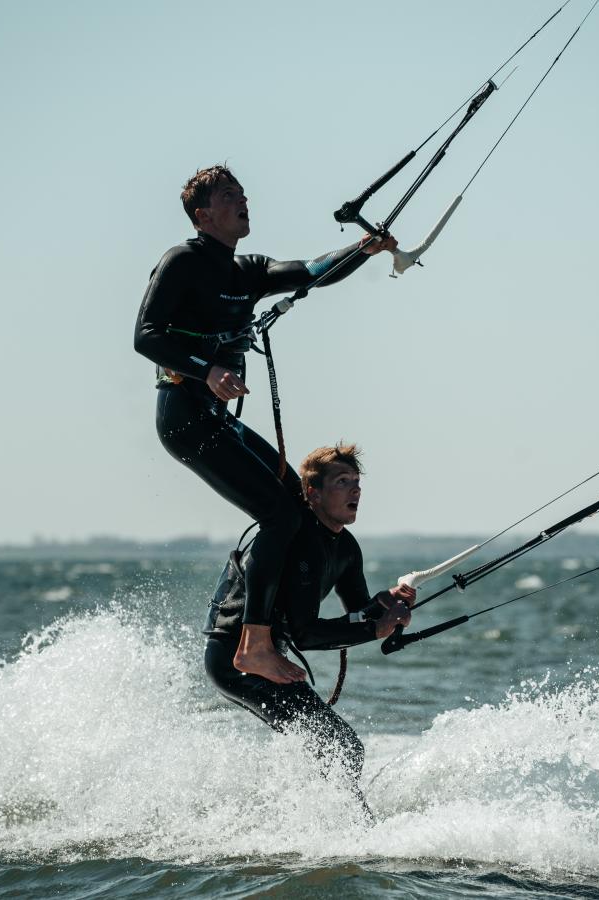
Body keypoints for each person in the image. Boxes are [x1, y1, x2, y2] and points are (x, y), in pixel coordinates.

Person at [134, 165, 397, 685]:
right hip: (184, 417)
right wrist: (207, 370)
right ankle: (253, 643)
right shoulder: (181, 261)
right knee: (279, 514)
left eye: (244, 193)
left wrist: (362, 250)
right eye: (231, 196)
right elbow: (146, 337)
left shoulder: (247, 271)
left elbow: (311, 270)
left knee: (297, 504)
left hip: (214, 418)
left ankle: (284, 625)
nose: (244, 201)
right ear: (203, 215)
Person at [203, 443, 415, 801]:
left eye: (357, 482)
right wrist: (372, 628)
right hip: (235, 660)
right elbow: (306, 634)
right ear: (312, 493)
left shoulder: (345, 547)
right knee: (341, 748)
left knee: (336, 748)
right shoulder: (297, 539)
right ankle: (345, 834)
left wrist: (387, 605)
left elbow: (359, 612)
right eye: (342, 481)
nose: (355, 490)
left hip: (268, 663)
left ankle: (305, 824)